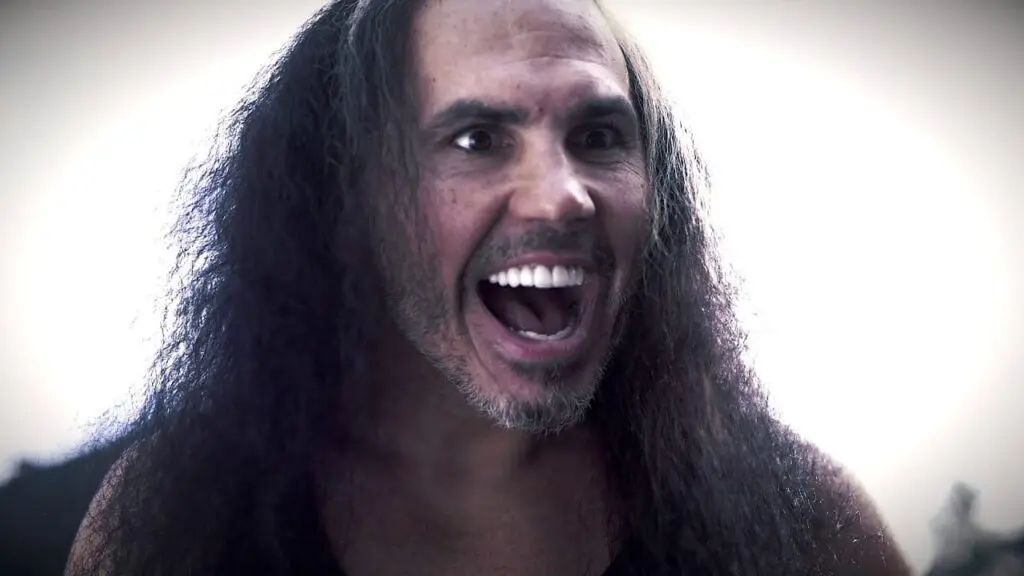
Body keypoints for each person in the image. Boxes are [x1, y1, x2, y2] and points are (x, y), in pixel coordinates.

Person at [67, 0, 913, 574]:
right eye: (477, 139)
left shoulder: (798, 523)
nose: (563, 195)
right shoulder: (177, 521)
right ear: (348, 205)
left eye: (598, 135)